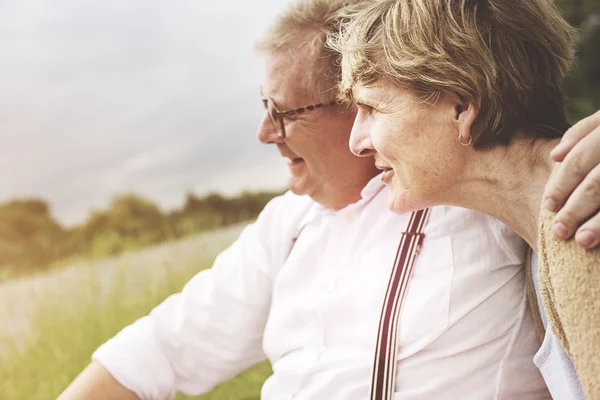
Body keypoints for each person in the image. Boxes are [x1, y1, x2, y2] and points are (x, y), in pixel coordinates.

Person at [58, 1, 600, 399]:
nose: (265, 133)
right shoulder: (290, 224)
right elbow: (161, 349)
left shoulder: (514, 206)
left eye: (287, 111)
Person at [333, 0, 600, 398]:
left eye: (371, 106)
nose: (356, 143)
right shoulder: (540, 249)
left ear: (461, 106)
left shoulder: (582, 229)